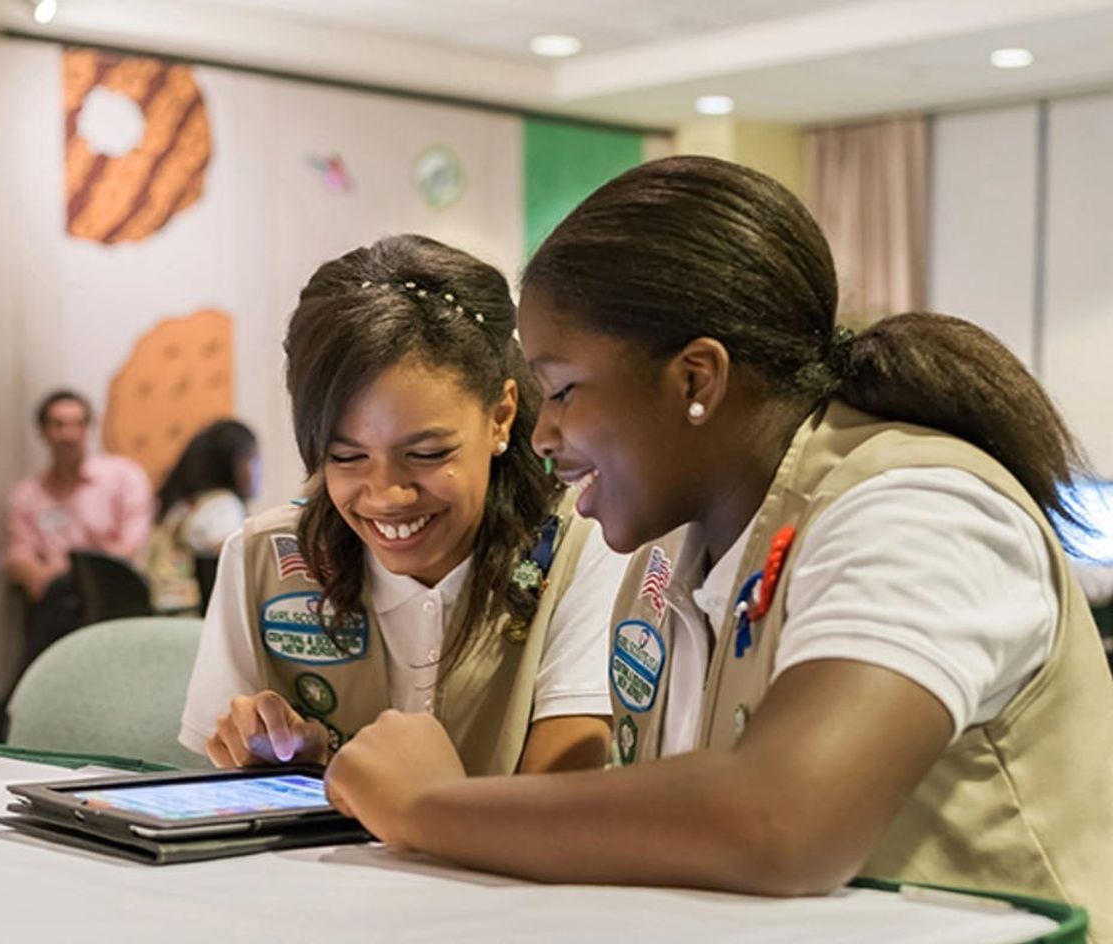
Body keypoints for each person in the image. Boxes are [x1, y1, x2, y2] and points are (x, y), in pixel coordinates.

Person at [321, 156, 1113, 939]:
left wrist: (427, 807)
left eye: (561, 390)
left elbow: (784, 821)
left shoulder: (916, 510)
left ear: (697, 379)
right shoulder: (676, 555)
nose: (543, 434)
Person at [180, 234, 626, 776]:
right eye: (345, 457)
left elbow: (557, 802)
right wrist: (273, 757)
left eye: (426, 453)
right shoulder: (265, 558)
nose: (387, 495)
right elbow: (217, 796)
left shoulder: (583, 545)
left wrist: (367, 784)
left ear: (500, 416)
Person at [0, 389, 155, 741]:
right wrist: (42, 573)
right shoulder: (29, 494)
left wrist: (63, 570)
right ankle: (19, 711)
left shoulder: (122, 478)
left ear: (88, 427)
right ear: (43, 431)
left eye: (76, 424)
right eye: (58, 425)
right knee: (60, 594)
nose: (68, 434)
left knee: (63, 589)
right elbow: (17, 556)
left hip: (116, 593)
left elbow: (129, 548)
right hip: (57, 597)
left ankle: (7, 709)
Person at [146, 419, 259, 612]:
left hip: (163, 609)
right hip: (198, 617)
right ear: (237, 463)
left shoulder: (182, 505)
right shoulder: (223, 507)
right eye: (254, 459)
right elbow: (231, 563)